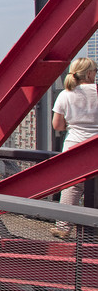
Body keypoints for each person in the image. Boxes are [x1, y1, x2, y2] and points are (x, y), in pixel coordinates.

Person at [51, 57, 98, 239]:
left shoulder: (65, 94)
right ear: (88, 73)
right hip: (95, 147)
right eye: (95, 70)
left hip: (74, 148)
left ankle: (63, 227)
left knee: (72, 188)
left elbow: (57, 125)